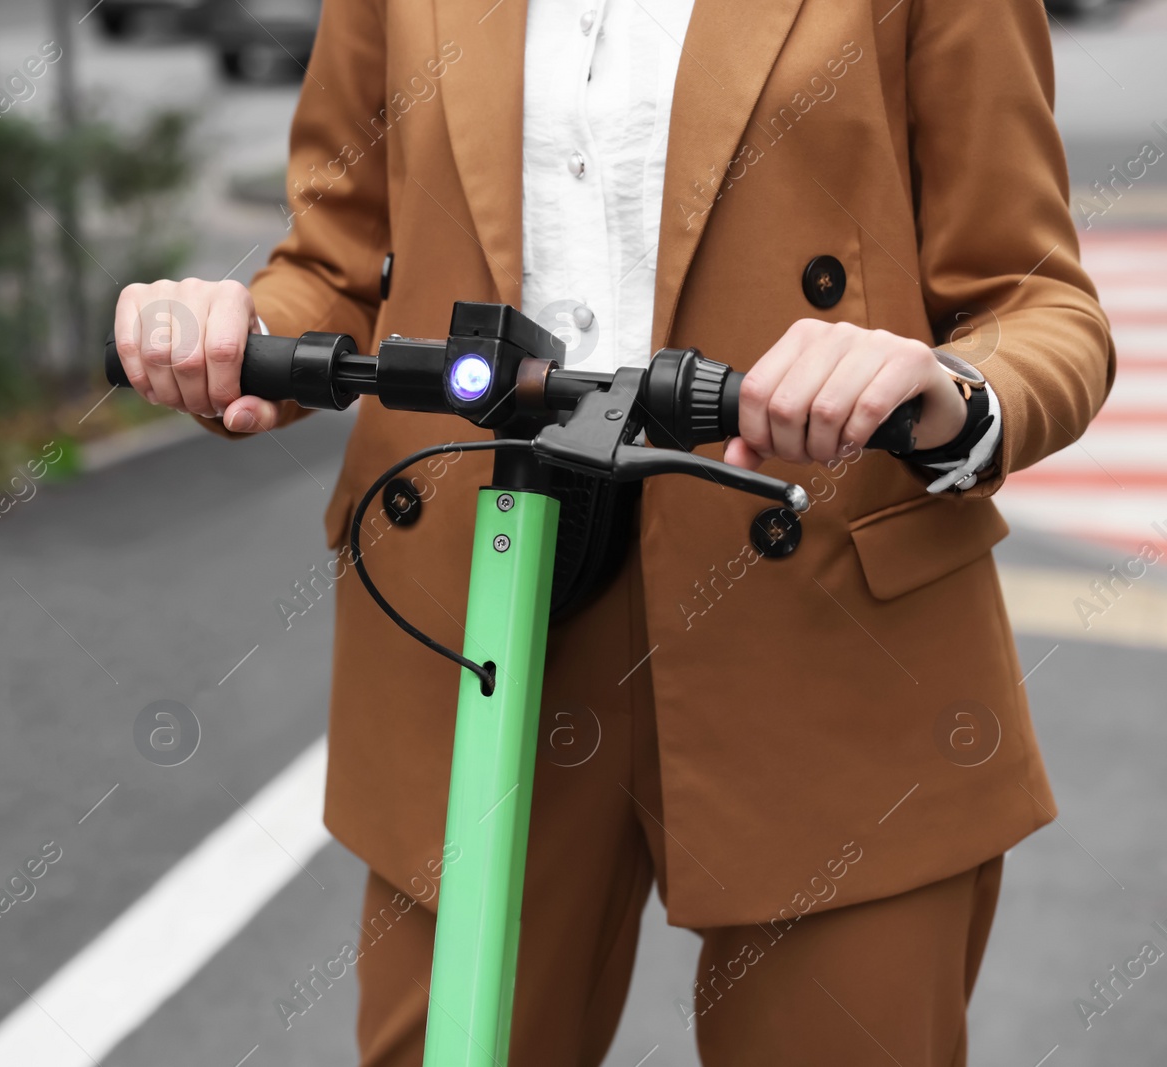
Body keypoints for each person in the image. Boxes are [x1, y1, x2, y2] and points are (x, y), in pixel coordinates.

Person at [111, 0, 1115, 1062]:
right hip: (484, 605)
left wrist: (942, 387)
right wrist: (233, 330)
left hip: (817, 615)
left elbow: (1034, 302)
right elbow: (332, 257)